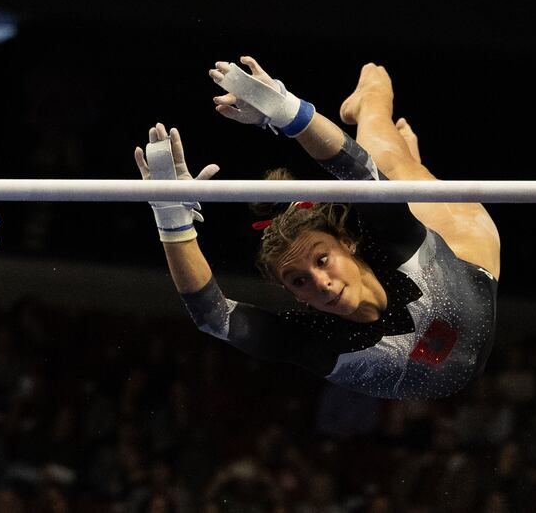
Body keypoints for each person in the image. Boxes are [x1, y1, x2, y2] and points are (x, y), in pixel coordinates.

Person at [133, 56, 500, 399]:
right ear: (295, 295)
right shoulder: (314, 340)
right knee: (391, 179)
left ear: (347, 243)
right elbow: (213, 317)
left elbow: (359, 172)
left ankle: (370, 97)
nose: (320, 283)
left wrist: (286, 110)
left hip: (464, 250)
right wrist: (172, 220)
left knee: (391, 168)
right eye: (299, 280)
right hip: (455, 289)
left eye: (322, 260)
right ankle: (406, 162)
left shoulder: (397, 245)